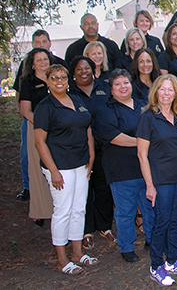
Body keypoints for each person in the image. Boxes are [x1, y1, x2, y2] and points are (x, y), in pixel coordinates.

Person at [34, 64, 97, 275]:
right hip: (60, 166)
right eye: (54, 78)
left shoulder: (76, 100)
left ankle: (77, 254)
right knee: (62, 211)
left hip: (81, 163)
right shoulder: (45, 106)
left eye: (62, 77)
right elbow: (40, 142)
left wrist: (92, 155)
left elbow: (87, 128)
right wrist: (53, 170)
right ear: (48, 81)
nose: (59, 81)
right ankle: (61, 259)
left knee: (79, 208)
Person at [137, 74, 177, 286]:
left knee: (175, 221)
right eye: (162, 89)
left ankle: (172, 260)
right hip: (160, 180)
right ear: (156, 92)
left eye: (170, 90)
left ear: (176, 93)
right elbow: (142, 154)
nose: (166, 93)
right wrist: (150, 185)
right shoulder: (148, 117)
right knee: (161, 221)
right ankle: (155, 265)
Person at [93, 69, 154, 263]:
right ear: (111, 89)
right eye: (117, 84)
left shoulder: (144, 105)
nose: (123, 87)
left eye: (125, 83)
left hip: (146, 168)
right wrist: (143, 141)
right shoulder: (107, 111)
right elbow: (114, 137)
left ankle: (152, 240)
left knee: (150, 207)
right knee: (125, 211)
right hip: (121, 170)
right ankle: (127, 246)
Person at [14, 30, 67, 202]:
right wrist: (34, 119)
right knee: (27, 156)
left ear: (49, 43)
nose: (41, 45)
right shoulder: (26, 69)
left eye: (44, 41)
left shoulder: (59, 65)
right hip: (33, 121)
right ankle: (29, 188)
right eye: (37, 42)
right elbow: (20, 96)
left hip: (59, 122)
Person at [68, 56, 114, 249]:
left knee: (104, 188)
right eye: (79, 69)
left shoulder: (104, 88)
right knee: (84, 191)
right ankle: (86, 231)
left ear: (93, 70)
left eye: (87, 68)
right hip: (81, 149)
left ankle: (105, 226)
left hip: (105, 147)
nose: (84, 72)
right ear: (73, 73)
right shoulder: (70, 94)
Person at [19, 48, 55, 226]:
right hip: (37, 129)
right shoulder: (27, 82)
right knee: (37, 169)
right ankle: (40, 209)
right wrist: (43, 124)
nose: (43, 62)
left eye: (45, 58)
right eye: (38, 60)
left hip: (57, 131)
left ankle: (57, 208)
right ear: (32, 64)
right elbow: (25, 111)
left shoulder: (56, 78)